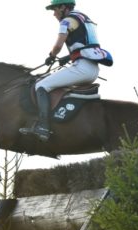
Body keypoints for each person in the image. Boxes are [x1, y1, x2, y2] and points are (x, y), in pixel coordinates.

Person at [19, 0, 112, 141]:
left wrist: (52, 56)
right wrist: (68, 57)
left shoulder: (66, 22)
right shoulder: (84, 18)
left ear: (63, 7)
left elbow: (58, 46)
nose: (54, 14)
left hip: (82, 68)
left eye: (55, 10)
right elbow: (86, 46)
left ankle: (43, 127)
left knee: (41, 85)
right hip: (92, 69)